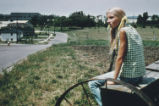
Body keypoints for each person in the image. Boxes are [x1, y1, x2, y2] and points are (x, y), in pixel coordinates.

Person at [88, 7, 145, 106]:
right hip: (139, 74)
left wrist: (114, 80)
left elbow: (120, 58)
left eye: (111, 18)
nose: (108, 21)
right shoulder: (131, 29)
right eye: (107, 18)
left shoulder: (122, 31)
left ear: (120, 18)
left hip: (129, 77)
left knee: (92, 84)